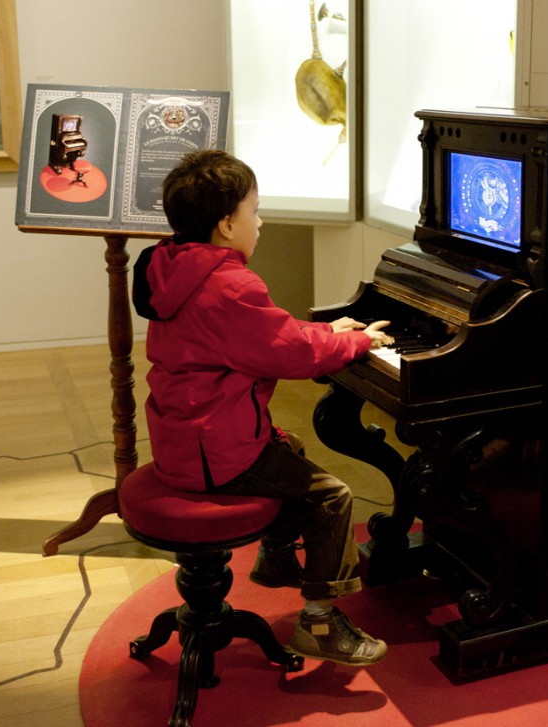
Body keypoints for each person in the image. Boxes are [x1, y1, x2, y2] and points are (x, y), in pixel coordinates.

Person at [132, 149, 393, 666]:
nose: (261, 221)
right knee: (331, 494)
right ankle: (319, 621)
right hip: (216, 454)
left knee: (288, 447)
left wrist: (327, 330)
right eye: (255, 211)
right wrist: (357, 343)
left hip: (183, 439)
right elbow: (293, 354)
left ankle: (276, 560)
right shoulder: (230, 286)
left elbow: (268, 336)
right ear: (227, 224)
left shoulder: (171, 266)